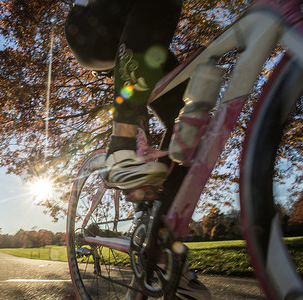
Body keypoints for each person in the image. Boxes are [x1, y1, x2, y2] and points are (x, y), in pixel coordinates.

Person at [65, 1, 212, 299]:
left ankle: (160, 243)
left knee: (190, 119)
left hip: (136, 29)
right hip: (92, 24)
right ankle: (121, 146)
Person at [65, 0, 186, 190]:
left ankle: (164, 203)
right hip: (89, 27)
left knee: (186, 111)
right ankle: (121, 149)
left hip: (131, 30)